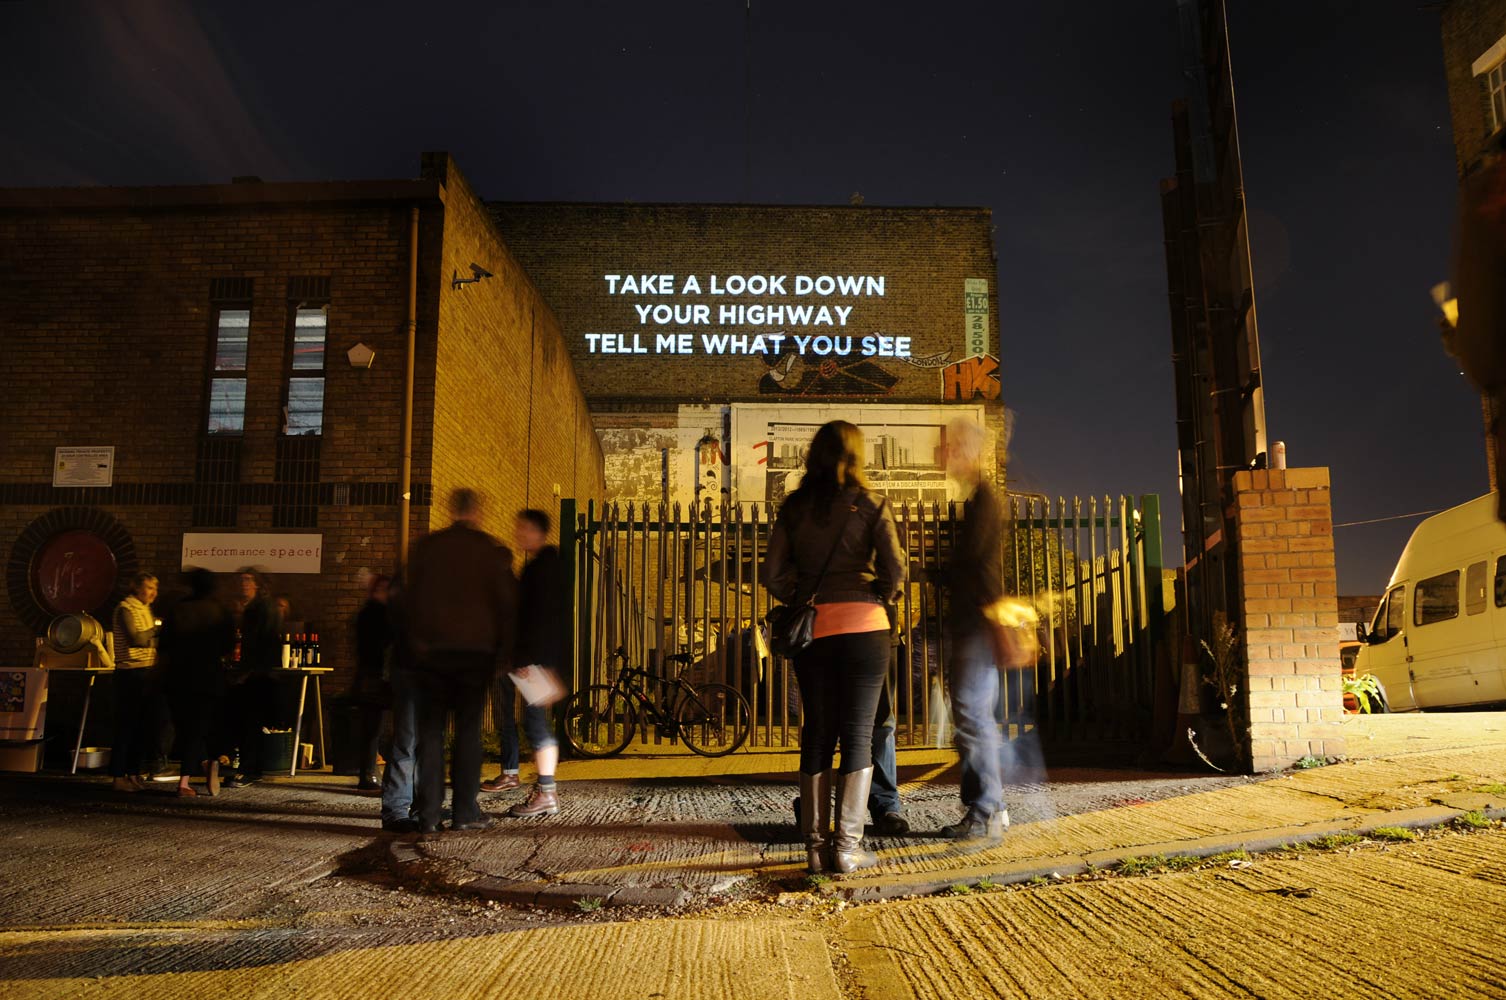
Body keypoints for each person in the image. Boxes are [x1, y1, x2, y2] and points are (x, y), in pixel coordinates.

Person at [766, 421, 906, 874]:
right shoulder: (870, 504)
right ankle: (847, 849)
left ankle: (813, 847)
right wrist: (878, 598)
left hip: (816, 630)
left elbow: (772, 575)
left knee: (817, 731)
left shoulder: (793, 507)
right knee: (859, 734)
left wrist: (803, 596)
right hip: (867, 628)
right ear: (856, 455)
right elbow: (897, 572)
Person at [401, 488, 518, 835]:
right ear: (477, 512)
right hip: (474, 655)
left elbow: (408, 601)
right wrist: (504, 654)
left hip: (431, 654)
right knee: (468, 733)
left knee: (431, 734)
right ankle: (465, 811)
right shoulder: (488, 551)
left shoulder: (427, 548)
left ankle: (429, 814)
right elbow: (507, 607)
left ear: (452, 510)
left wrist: (415, 647)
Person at [939, 419, 1009, 841]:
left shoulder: (985, 501)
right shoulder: (979, 500)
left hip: (976, 626)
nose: (942, 455)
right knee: (974, 719)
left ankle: (984, 812)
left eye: (948, 447)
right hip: (976, 624)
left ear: (967, 451)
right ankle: (989, 809)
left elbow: (981, 570)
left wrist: (991, 622)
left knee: (972, 720)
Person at [500, 509, 566, 818]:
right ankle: (546, 790)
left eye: (523, 528)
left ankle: (547, 793)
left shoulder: (542, 569)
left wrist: (531, 660)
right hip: (538, 659)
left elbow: (540, 620)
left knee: (536, 724)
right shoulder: (544, 566)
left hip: (536, 660)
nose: (518, 533)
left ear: (539, 532)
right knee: (536, 723)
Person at [159, 569, 235, 796]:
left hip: (177, 675)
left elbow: (163, 646)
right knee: (199, 727)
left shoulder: (178, 610)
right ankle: (191, 775)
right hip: (208, 676)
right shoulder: (220, 611)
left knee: (184, 727)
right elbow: (228, 647)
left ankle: (200, 765)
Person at [228, 569, 283, 786]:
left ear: (257, 585)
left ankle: (249, 769)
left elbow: (263, 643)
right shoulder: (254, 608)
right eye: (241, 580)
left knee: (251, 721)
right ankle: (252, 767)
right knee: (252, 722)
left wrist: (249, 671)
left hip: (258, 674)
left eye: (248, 580)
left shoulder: (261, 609)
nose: (243, 584)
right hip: (258, 672)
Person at [109, 573, 159, 792]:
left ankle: (134, 772)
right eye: (148, 587)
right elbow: (135, 638)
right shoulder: (125, 608)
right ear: (136, 588)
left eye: (155, 589)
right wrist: (156, 630)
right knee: (126, 726)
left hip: (147, 671)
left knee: (142, 726)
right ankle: (118, 776)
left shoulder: (145, 609)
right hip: (130, 673)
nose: (152, 593)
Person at [353, 575, 393, 792]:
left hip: (374, 676)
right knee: (373, 727)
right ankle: (368, 774)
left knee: (373, 727)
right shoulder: (375, 614)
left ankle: (369, 773)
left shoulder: (371, 613)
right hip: (376, 677)